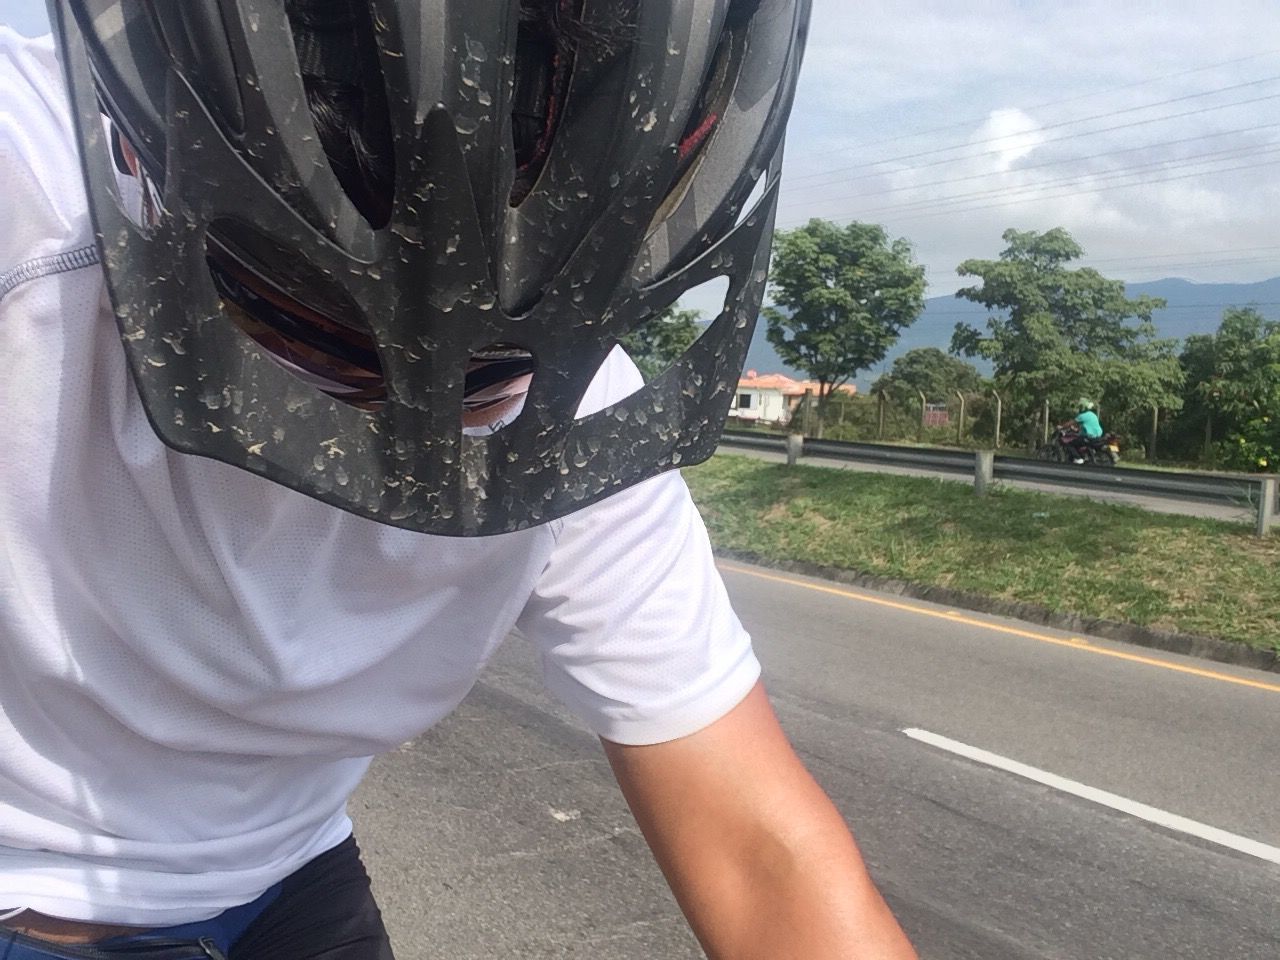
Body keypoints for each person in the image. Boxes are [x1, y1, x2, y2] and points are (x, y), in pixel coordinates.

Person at [0, 2, 918, 958]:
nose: (417, 411)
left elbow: (760, 847)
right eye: (317, 345)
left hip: (282, 872)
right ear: (148, 165)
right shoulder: (29, 192)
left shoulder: (577, 402)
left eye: (490, 374)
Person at [1066, 399, 1105, 464]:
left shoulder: (1082, 416)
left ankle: (1078, 459)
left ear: (1082, 407)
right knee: (1079, 441)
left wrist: (1061, 427)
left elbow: (1071, 423)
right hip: (1098, 436)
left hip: (1089, 437)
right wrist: (1076, 430)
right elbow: (1088, 426)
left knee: (1070, 444)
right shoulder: (1093, 414)